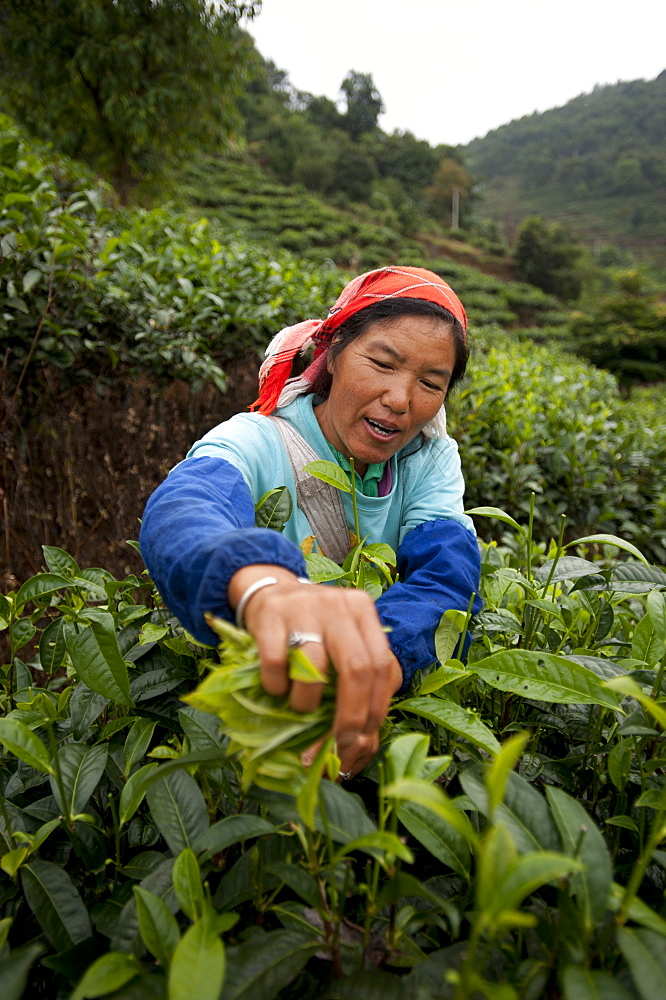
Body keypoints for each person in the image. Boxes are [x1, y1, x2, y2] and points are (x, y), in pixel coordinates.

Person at [140, 265, 482, 778]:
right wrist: (263, 588)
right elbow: (186, 506)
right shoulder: (260, 439)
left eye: (430, 383)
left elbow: (447, 576)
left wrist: (373, 667)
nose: (400, 400)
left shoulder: (427, 460)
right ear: (336, 350)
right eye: (382, 363)